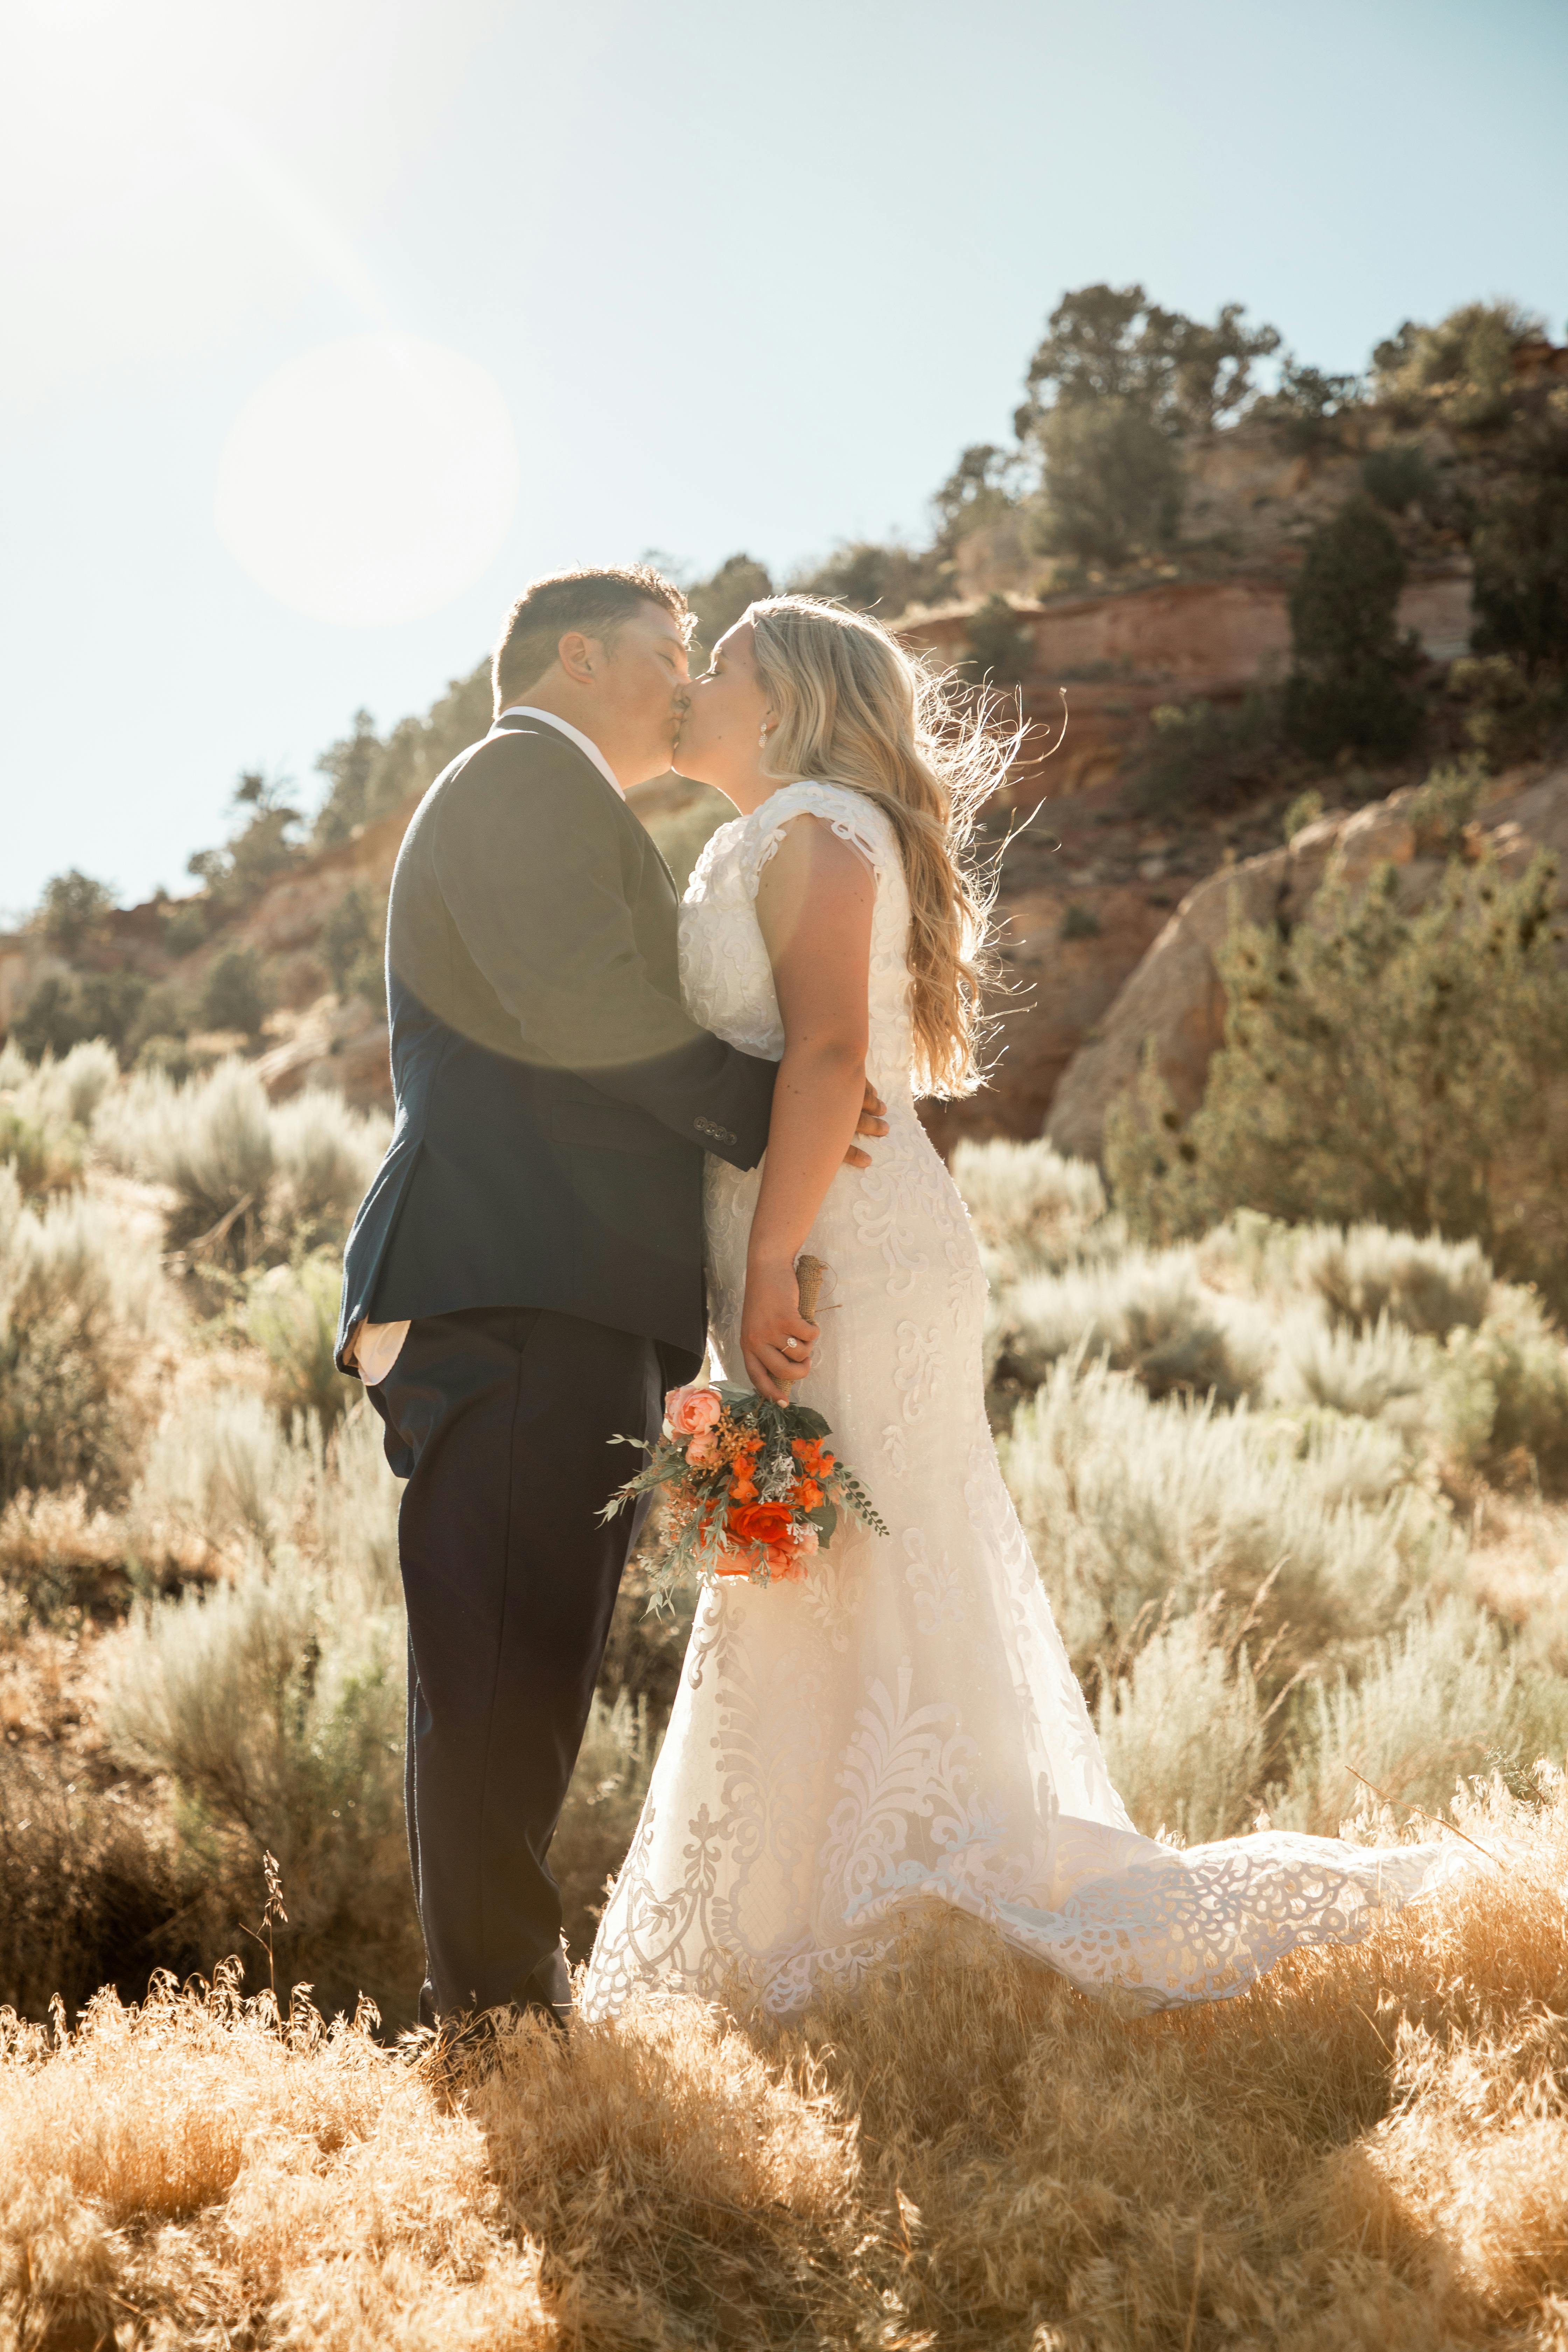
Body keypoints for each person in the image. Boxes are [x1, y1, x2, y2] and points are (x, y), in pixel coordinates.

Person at [583, 596, 1463, 2021]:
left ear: (792, 701)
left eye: (724, 665)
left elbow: (823, 1059)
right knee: (808, 1568)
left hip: (839, 1258)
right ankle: (805, 1927)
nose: (694, 684)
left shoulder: (815, 826)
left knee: (862, 1559)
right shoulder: (769, 835)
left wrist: (763, 1271)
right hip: (793, 1246)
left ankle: (891, 1914)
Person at [334, 565, 886, 2037]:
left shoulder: (568, 803)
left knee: (517, 1666)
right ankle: (506, 2037)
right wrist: (769, 1104)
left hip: (555, 1286)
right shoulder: (522, 782)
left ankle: (499, 2016)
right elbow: (583, 1002)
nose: (689, 674)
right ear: (578, 660)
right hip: (516, 1280)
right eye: (667, 651)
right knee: (507, 1669)